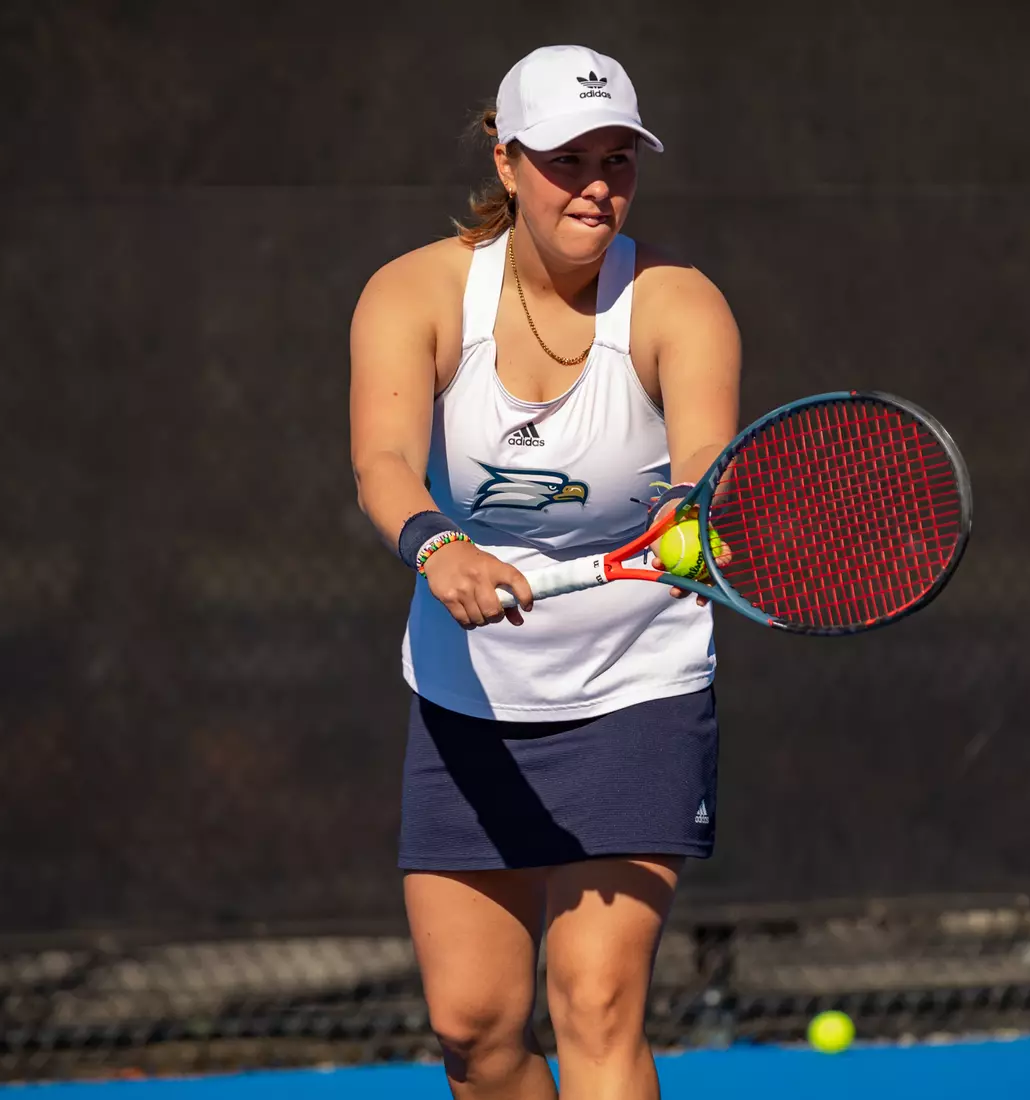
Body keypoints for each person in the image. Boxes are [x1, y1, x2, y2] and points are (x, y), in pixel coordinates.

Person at [348, 43, 741, 1100]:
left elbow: (705, 462)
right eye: (570, 159)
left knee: (595, 1003)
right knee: (473, 1030)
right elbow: (383, 461)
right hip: (467, 699)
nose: (598, 183)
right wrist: (438, 543)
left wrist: (690, 509)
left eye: (619, 159)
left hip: (636, 690)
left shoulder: (677, 301)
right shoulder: (414, 294)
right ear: (508, 158)